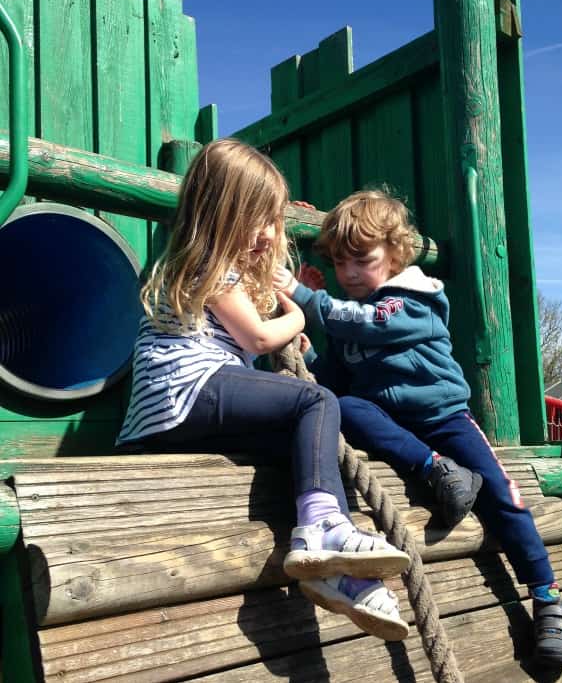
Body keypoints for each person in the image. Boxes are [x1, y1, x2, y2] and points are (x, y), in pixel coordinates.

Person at [116, 141, 410, 641]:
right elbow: (255, 338)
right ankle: (323, 529)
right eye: (260, 220)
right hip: (185, 390)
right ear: (221, 214)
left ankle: (338, 575)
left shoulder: (204, 269)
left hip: (173, 412)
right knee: (316, 401)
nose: (271, 234)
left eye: (276, 221)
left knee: (303, 448)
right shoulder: (209, 261)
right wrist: (294, 313)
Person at [275, 189, 562, 665]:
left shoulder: (412, 299)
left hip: (445, 418)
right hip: (397, 425)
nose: (349, 274)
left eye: (363, 260)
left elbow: (371, 323)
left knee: (502, 493)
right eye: (339, 263)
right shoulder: (348, 320)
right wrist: (305, 342)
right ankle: (437, 470)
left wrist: (306, 296)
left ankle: (546, 594)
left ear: (395, 254)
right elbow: (334, 378)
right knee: (342, 404)